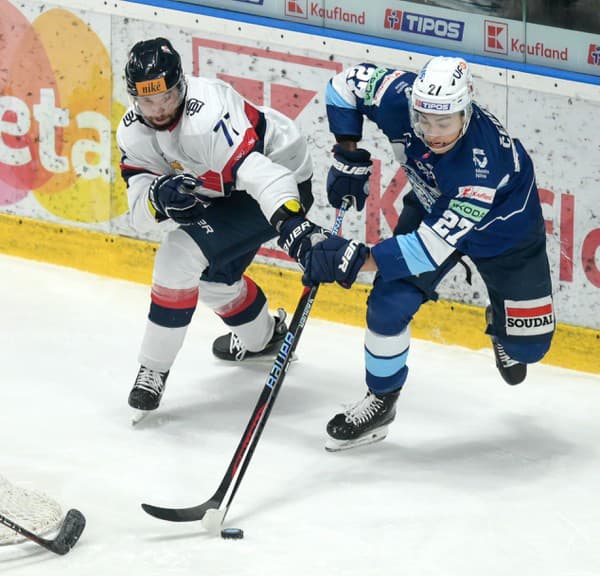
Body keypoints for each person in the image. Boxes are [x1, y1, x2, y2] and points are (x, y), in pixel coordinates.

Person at [301, 57, 555, 451]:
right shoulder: (398, 96)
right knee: (387, 306)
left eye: (445, 123)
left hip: (507, 239)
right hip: (433, 207)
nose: (432, 133)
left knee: (530, 349)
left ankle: (502, 319)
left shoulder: (480, 168)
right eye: (424, 120)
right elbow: (344, 84)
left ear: (466, 112)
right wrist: (346, 152)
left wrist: (353, 259)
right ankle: (381, 401)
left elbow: (427, 251)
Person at [116, 38, 329, 418]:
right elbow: (137, 211)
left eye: (166, 97)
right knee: (216, 283)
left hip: (280, 179)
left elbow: (263, 174)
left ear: (181, 85)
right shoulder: (133, 132)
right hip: (219, 189)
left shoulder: (206, 115)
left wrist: (291, 223)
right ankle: (265, 339)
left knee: (177, 256)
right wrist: (157, 196)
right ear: (135, 98)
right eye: (147, 102)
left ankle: (153, 369)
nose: (159, 109)